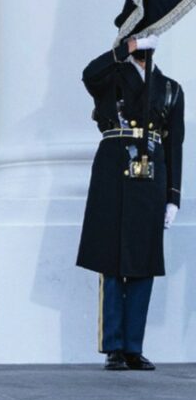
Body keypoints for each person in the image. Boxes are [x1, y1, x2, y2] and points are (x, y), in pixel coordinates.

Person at [77, 34, 183, 371]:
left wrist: (173, 197)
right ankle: (113, 347)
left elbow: (174, 145)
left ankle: (133, 347)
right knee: (111, 260)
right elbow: (89, 73)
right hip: (113, 170)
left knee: (143, 262)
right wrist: (128, 48)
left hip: (150, 175)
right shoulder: (111, 77)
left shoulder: (170, 88)